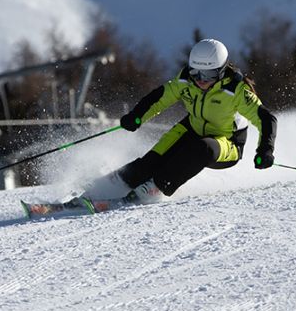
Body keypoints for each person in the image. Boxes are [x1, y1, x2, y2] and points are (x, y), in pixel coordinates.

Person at [86, 38, 277, 203]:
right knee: (150, 162)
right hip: (192, 129)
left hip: (227, 142)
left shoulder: (236, 90)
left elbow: (266, 119)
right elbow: (161, 97)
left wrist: (265, 151)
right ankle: (105, 188)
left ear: (221, 71)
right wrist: (137, 116)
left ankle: (155, 188)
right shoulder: (186, 80)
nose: (200, 80)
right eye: (196, 73)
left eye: (208, 75)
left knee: (203, 148)